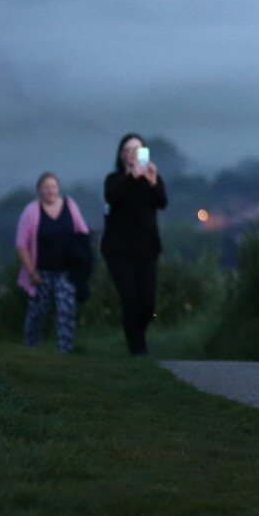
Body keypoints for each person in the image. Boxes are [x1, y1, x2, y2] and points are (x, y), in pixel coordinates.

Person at [101, 132, 168, 356]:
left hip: (147, 249)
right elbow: (113, 197)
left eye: (136, 150)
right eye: (127, 150)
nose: (131, 154)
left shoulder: (151, 177)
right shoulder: (114, 179)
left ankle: (139, 338)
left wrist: (152, 180)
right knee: (130, 299)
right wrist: (131, 176)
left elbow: (161, 202)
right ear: (121, 155)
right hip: (118, 250)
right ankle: (137, 349)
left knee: (147, 303)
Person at [15, 172, 90, 353]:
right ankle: (31, 347)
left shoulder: (70, 206)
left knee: (66, 309)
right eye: (46, 187)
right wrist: (31, 272)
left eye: (53, 187)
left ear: (58, 188)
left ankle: (65, 350)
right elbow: (21, 244)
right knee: (38, 311)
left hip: (66, 271)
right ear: (39, 190)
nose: (50, 191)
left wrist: (83, 260)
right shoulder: (31, 211)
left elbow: (83, 232)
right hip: (41, 272)